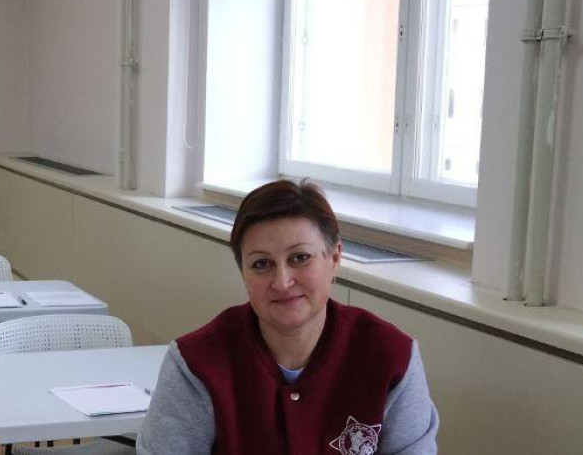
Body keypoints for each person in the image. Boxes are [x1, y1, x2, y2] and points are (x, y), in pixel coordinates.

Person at [137, 180, 439, 454]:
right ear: (243, 273)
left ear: (334, 259)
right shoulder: (195, 363)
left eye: (300, 258)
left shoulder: (392, 357)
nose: (282, 282)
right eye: (261, 264)